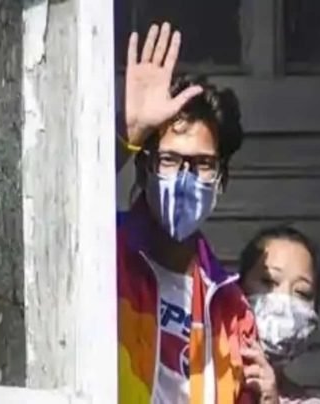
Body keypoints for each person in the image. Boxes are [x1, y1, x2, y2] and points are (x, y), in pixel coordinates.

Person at [116, 22, 259, 404]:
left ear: (222, 179)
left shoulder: (232, 309)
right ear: (143, 167)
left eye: (203, 164)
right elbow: (54, 213)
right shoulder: (104, 257)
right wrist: (126, 136)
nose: (185, 177)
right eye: (170, 159)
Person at [238, 225, 320, 404]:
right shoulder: (197, 373)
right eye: (268, 282)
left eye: (302, 292)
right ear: (240, 287)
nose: (283, 303)